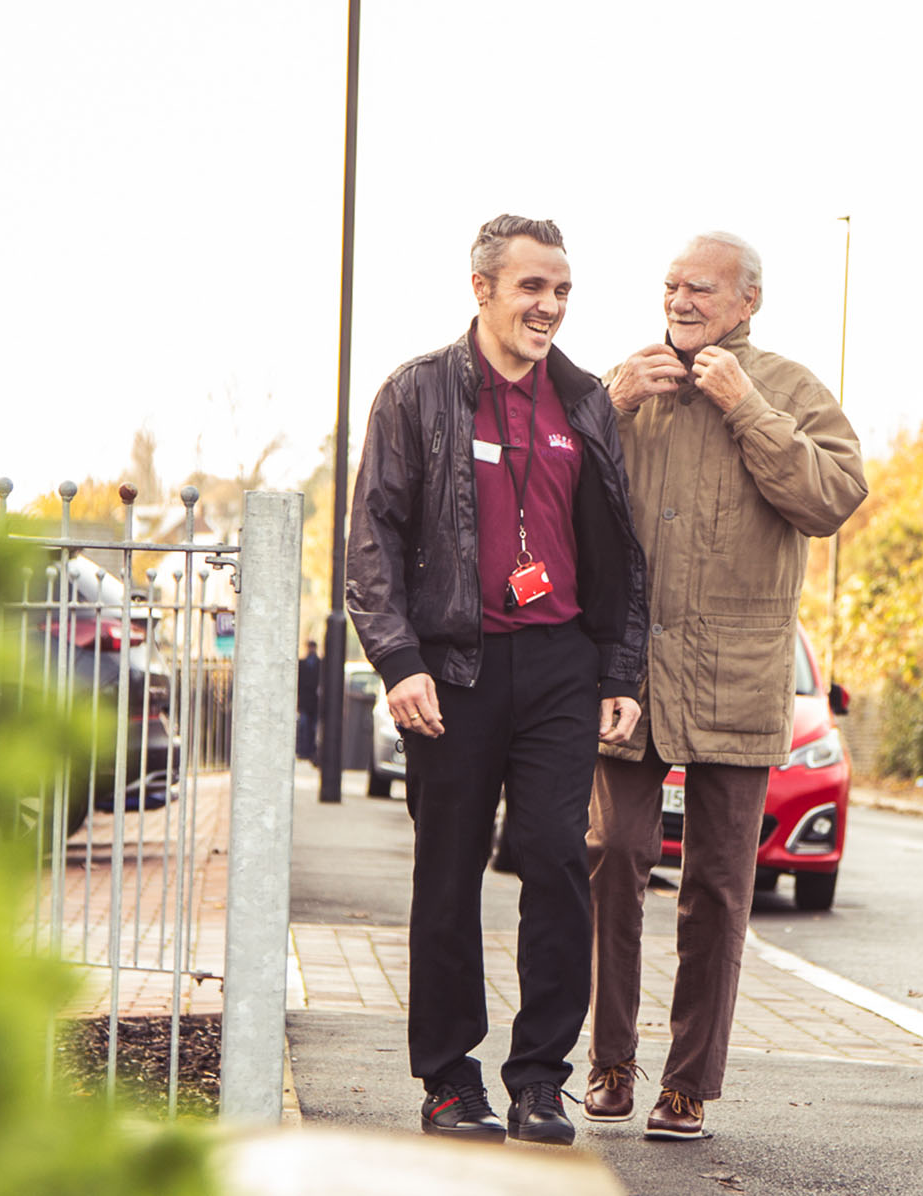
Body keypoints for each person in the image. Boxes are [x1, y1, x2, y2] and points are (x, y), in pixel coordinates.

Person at [346, 215, 649, 1146]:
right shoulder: (417, 394)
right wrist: (397, 662)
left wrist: (619, 669)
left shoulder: (584, 400)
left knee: (559, 858)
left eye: (561, 290)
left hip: (560, 663)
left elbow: (621, 552)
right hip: (455, 669)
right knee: (449, 871)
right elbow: (372, 539)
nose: (549, 306)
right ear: (482, 288)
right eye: (532, 288)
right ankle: (448, 1080)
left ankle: (538, 1080)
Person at [584, 232, 867, 1141]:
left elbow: (830, 499)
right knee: (613, 856)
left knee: (716, 884)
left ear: (748, 301)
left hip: (738, 680)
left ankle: (687, 1084)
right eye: (671, 285)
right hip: (629, 674)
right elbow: (549, 485)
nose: (681, 299)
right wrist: (605, 403)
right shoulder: (623, 387)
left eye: (700, 288)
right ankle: (609, 1064)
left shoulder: (788, 388)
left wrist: (749, 410)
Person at [296, 638, 321, 760]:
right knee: (304, 726)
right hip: (305, 701)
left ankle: (311, 751)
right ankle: (303, 751)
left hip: (315, 702)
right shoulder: (302, 663)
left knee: (313, 728)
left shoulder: (320, 664)